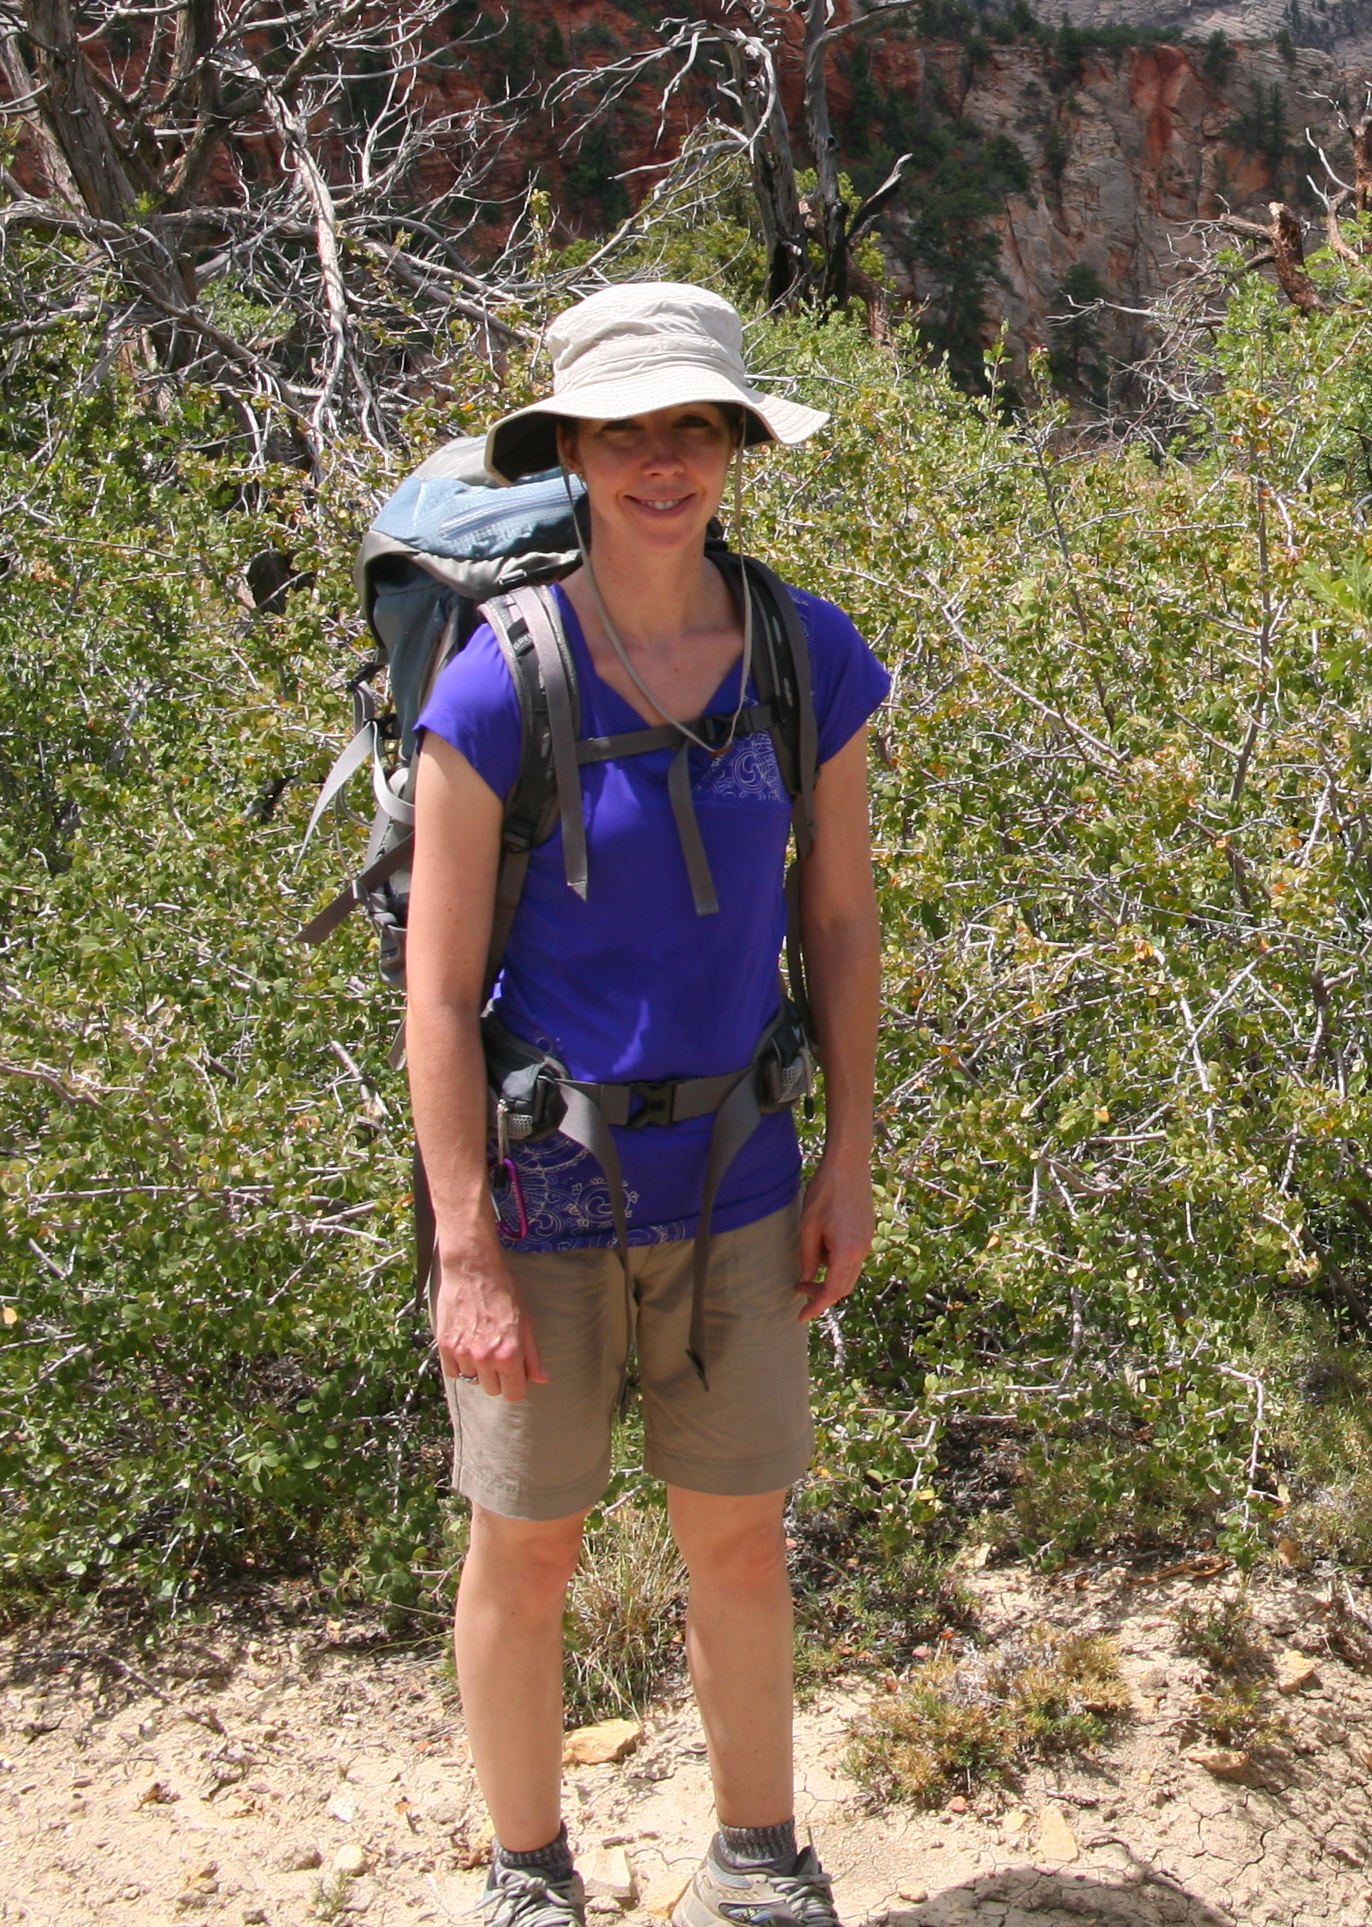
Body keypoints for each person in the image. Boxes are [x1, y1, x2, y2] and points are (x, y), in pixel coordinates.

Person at [401, 283, 890, 1927]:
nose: (661, 463)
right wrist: (463, 1244)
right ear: (574, 452)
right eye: (627, 432)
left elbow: (837, 919)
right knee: (524, 1551)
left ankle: (761, 1858)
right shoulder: (495, 682)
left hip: (740, 1175)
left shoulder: (806, 656)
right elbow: (437, 983)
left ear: (738, 444)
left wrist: (850, 1161)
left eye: (693, 426)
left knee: (738, 1543)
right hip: (548, 1195)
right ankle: (528, 1873)